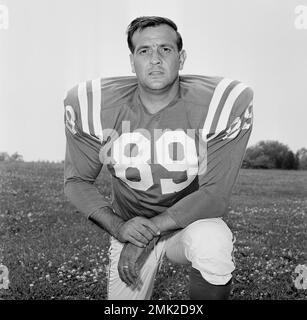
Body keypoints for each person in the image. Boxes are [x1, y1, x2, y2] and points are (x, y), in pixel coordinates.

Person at [63, 16, 253, 300]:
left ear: (181, 57)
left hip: (186, 224)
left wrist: (152, 230)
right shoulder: (94, 104)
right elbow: (77, 181)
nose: (155, 59)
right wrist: (121, 228)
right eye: (144, 51)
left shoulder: (220, 103)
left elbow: (215, 194)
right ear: (131, 61)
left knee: (213, 240)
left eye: (165, 49)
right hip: (131, 226)